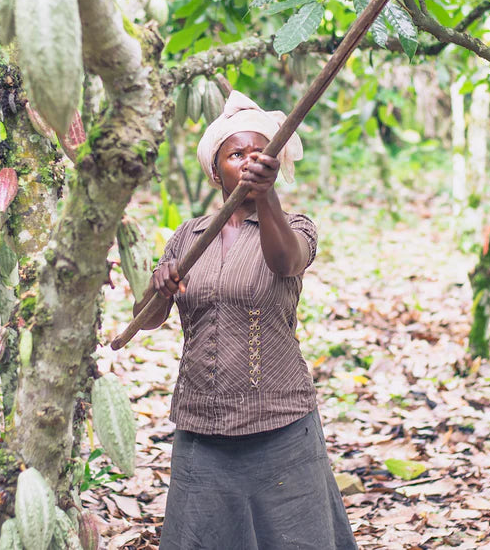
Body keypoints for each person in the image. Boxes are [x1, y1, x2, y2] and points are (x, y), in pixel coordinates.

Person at [134, 91, 357, 550]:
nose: (250, 160)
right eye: (237, 154)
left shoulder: (295, 225)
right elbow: (147, 319)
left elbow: (287, 262)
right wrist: (159, 283)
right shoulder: (188, 236)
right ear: (217, 171)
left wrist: (267, 196)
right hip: (202, 420)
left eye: (260, 153)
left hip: (278, 418)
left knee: (296, 538)